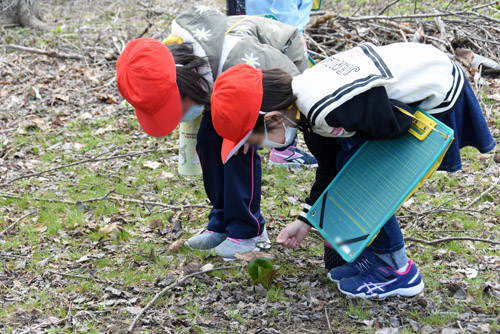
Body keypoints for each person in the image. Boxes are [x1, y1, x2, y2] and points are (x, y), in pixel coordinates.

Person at [209, 42, 496, 297]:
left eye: (257, 140)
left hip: (438, 90)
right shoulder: (308, 110)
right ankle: (373, 254)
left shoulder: (327, 110)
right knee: (346, 165)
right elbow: (329, 167)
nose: (263, 147)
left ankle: (397, 270)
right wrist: (306, 219)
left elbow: (394, 123)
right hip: (404, 97)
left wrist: (365, 175)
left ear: (272, 117)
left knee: (357, 171)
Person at [116, 5, 313, 259]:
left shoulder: (237, 57)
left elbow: (290, 78)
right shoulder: (178, 61)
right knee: (208, 142)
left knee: (237, 150)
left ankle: (247, 231)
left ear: (186, 83)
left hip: (269, 73)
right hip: (221, 82)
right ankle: (222, 222)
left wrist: (255, 127)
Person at [226, 0, 319, 168]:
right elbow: (283, 7)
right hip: (272, 31)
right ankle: (283, 148)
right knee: (282, 88)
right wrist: (296, 32)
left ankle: (273, 143)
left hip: (252, 24)